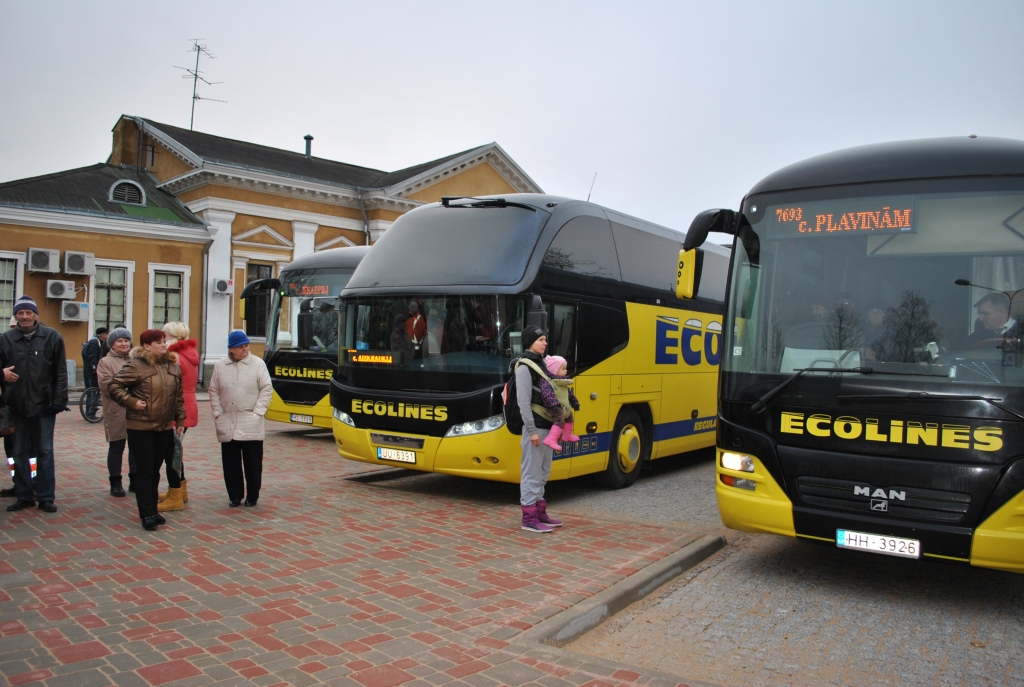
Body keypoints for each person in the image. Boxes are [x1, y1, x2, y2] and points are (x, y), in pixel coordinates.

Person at [108, 329, 185, 531]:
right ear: (147, 346)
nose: (163, 345)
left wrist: (180, 418)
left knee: (156, 470)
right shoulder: (136, 365)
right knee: (145, 471)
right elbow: (115, 386)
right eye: (158, 342)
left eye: (164, 341)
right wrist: (131, 402)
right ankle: (146, 513)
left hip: (164, 426)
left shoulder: (173, 366)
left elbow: (178, 396)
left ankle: (153, 509)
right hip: (141, 427)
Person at [0, 296, 69, 512]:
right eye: (20, 313)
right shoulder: (6, 339)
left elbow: (60, 371)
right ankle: (24, 495)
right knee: (19, 452)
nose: (24, 316)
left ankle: (46, 496)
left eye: (28, 312)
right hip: (15, 405)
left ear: (35, 314)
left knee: (44, 451)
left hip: (44, 405)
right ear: (16, 316)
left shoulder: (51, 337)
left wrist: (59, 400)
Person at [209, 330, 272, 508]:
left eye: (246, 345)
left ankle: (252, 495)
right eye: (240, 346)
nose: (245, 349)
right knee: (230, 463)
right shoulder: (221, 366)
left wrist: (258, 412)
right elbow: (213, 390)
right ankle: (234, 495)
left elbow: (266, 389)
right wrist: (218, 412)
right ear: (231, 349)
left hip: (250, 419)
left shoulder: (258, 364)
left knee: (253, 463)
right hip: (227, 419)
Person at [514, 325, 562, 533]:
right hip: (535, 428)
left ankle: (540, 512)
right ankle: (529, 517)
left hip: (548, 428)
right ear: (530, 342)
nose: (545, 343)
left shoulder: (542, 365)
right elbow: (523, 402)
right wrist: (531, 429)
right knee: (531, 472)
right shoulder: (524, 367)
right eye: (541, 339)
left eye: (545, 339)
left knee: (543, 471)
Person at [157, 321, 199, 510]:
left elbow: (169, 387)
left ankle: (175, 495)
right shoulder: (188, 354)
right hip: (186, 406)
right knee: (175, 452)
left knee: (171, 453)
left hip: (176, 409)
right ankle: (180, 490)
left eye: (164, 334)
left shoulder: (174, 357)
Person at [97, 327, 133, 497]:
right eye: (120, 341)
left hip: (136, 410)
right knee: (117, 446)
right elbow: (107, 386)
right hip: (116, 409)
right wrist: (130, 384)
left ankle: (135, 479)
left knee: (136, 447)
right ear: (112, 344)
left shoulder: (136, 359)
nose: (124, 343)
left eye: (126, 340)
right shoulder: (106, 362)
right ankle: (115, 482)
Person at [540, 355, 582, 450]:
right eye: (563, 369)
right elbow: (547, 395)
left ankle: (567, 435)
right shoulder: (548, 382)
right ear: (554, 370)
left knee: (570, 417)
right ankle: (551, 439)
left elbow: (570, 395)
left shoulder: (563, 383)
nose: (566, 371)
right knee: (559, 420)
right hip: (554, 407)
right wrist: (554, 405)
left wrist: (575, 404)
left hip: (564, 408)